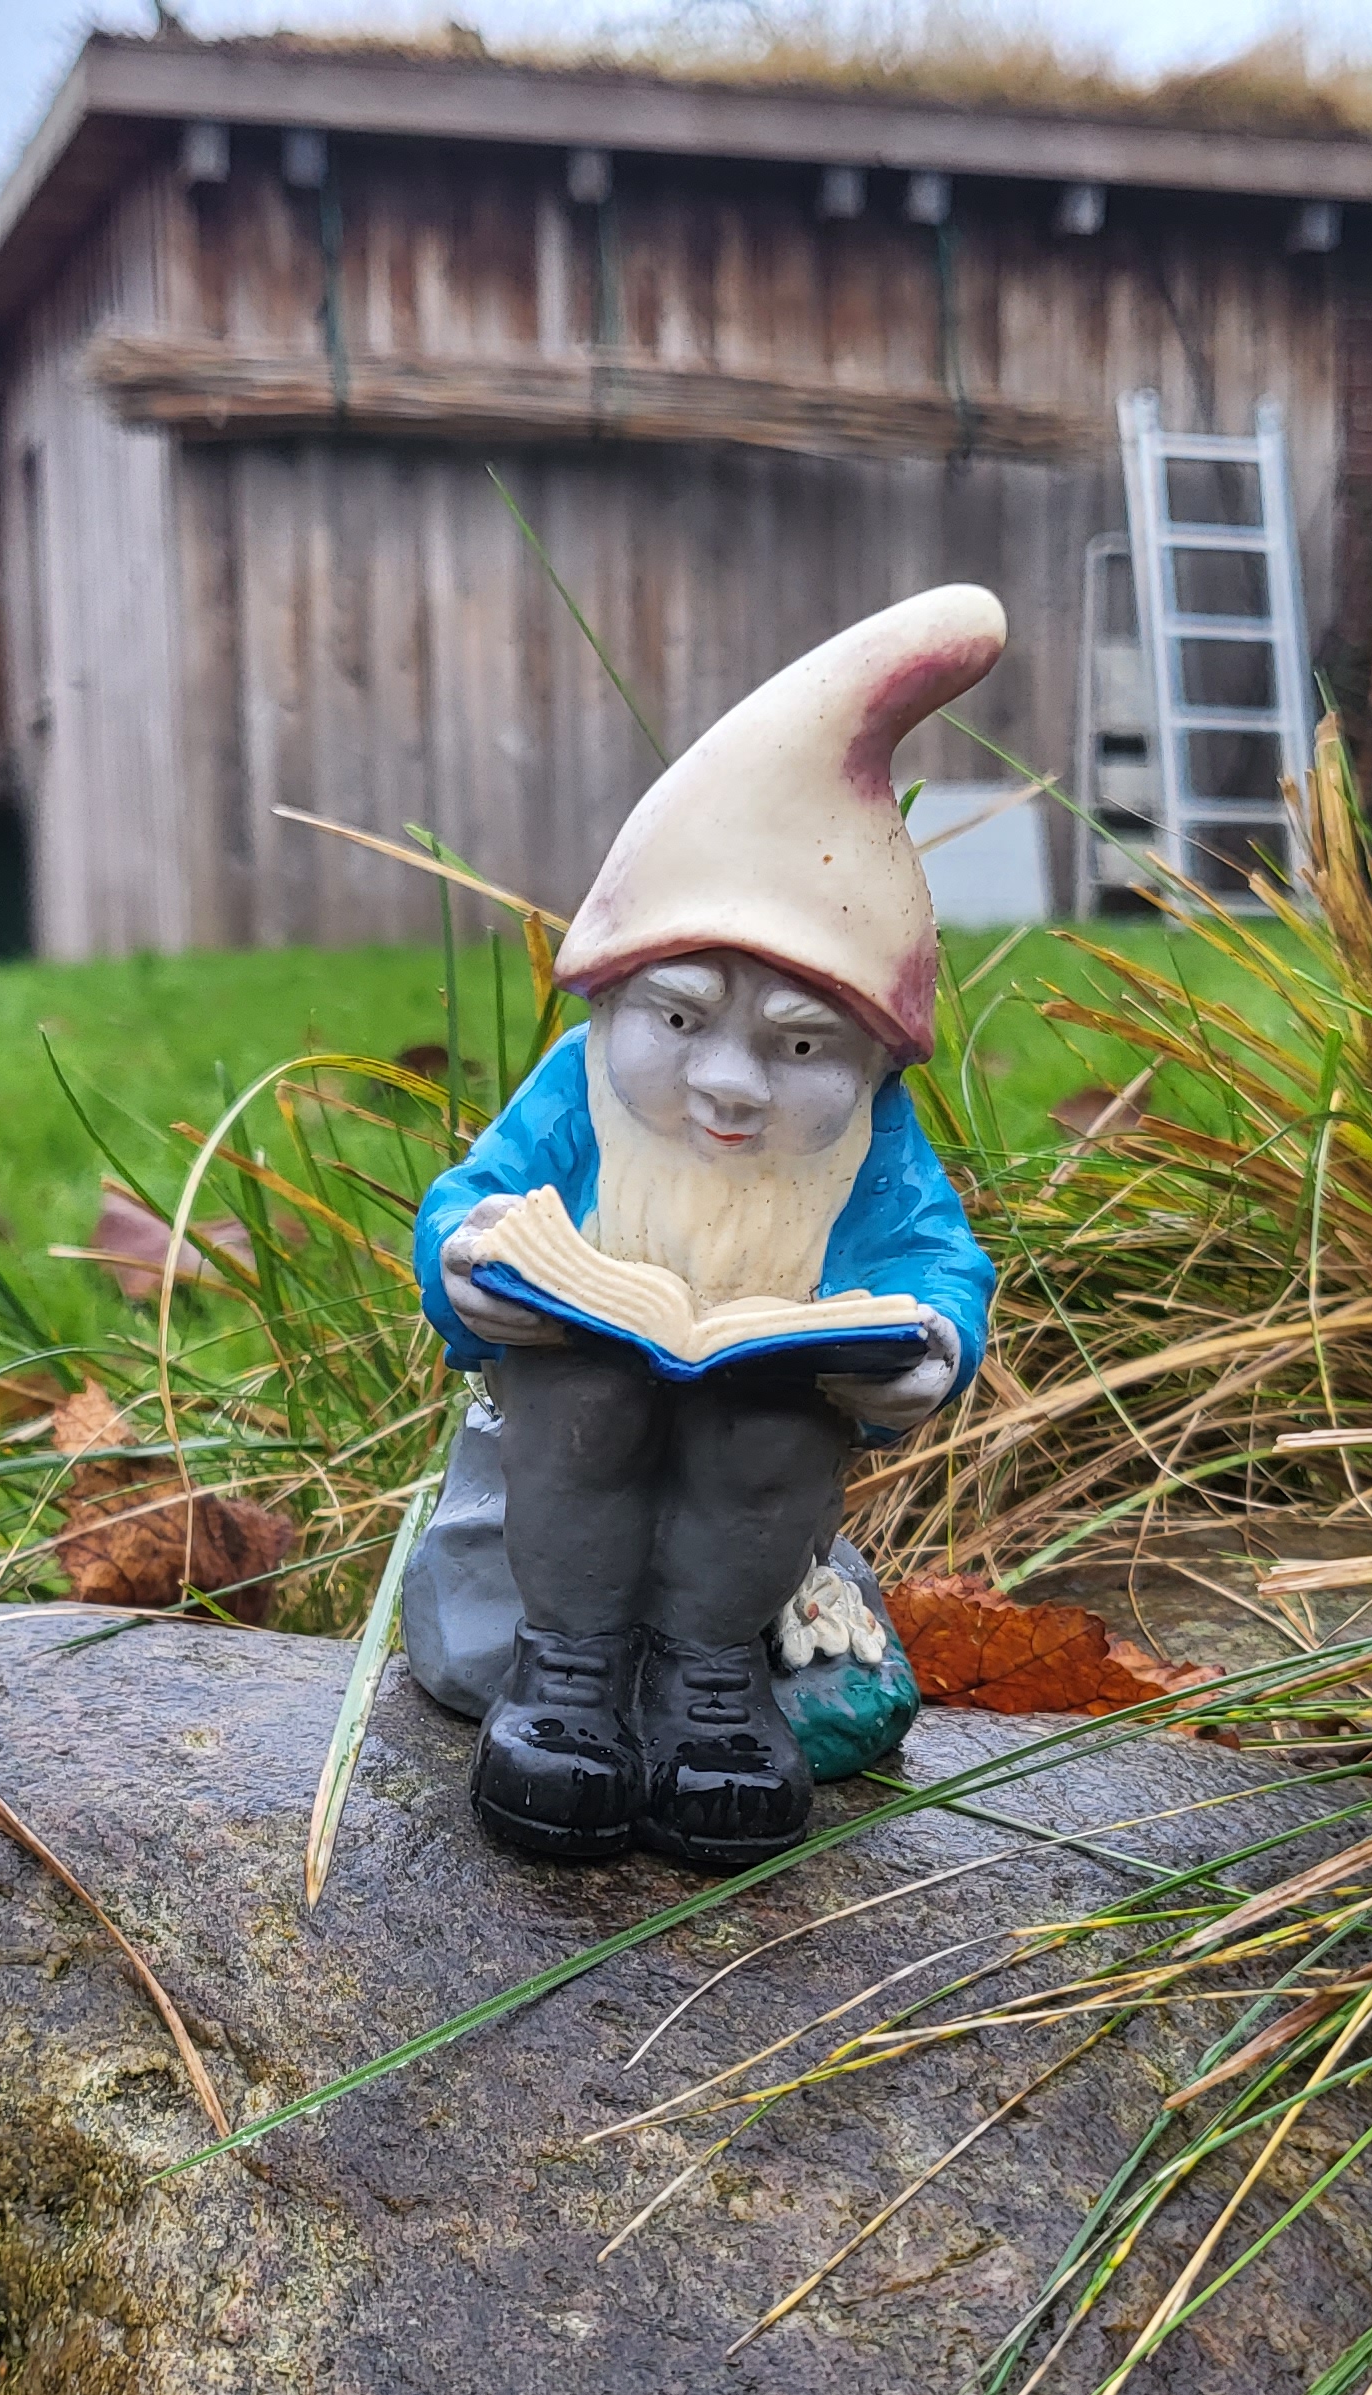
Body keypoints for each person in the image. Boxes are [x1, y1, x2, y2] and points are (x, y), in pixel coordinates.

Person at [411, 586, 1004, 1868]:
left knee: (769, 1437)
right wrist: (465, 1266)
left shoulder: (868, 1141)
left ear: (871, 1060)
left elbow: (933, 1256)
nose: (729, 1085)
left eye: (800, 1046)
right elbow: (469, 1194)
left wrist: (931, 1343)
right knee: (584, 1407)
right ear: (614, 997)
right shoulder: (575, 1092)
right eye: (679, 1019)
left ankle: (711, 1681)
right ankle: (568, 1671)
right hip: (580, 1395)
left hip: (762, 1403)